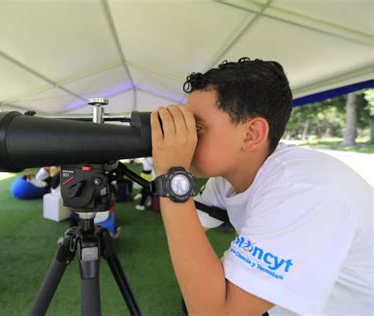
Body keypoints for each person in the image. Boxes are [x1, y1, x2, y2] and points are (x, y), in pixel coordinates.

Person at [150, 58, 373, 315]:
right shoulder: (229, 179)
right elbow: (187, 231)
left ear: (251, 134)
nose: (186, 136)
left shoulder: (303, 192)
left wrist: (171, 177)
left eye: (197, 127)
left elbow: (215, 312)